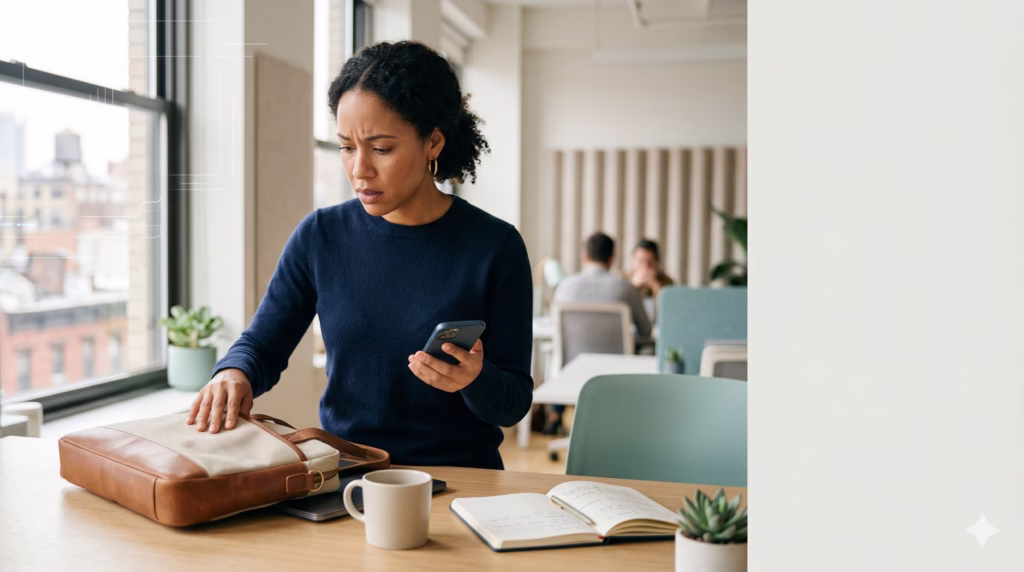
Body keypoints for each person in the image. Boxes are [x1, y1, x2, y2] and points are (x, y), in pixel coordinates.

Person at [185, 41, 534, 471]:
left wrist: (475, 380)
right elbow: (261, 345)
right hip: (348, 476)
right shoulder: (320, 236)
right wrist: (232, 373)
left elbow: (514, 403)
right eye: (347, 147)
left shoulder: (495, 246)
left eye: (381, 148)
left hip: (461, 480)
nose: (359, 169)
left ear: (433, 142)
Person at [544, 232, 652, 434]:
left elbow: (554, 328)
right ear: (612, 258)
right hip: (615, 374)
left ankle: (555, 413)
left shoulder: (565, 286)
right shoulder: (626, 288)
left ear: (585, 257)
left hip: (571, 369)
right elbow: (646, 331)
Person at [630, 239, 675, 321]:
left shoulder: (667, 282)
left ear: (657, 262)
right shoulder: (624, 280)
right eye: (641, 261)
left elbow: (671, 311)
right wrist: (634, 287)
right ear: (633, 260)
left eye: (650, 262)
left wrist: (655, 286)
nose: (645, 266)